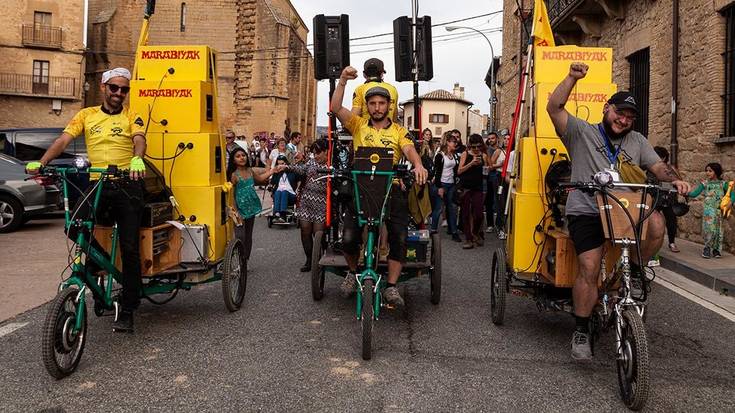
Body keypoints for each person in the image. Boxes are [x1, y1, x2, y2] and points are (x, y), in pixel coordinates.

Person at [546, 62, 691, 360]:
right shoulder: (581, 133)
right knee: (588, 267)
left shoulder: (636, 141)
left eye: (629, 117)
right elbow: (554, 107)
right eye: (619, 113)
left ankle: (636, 270)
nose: (624, 120)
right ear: (606, 109)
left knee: (657, 223)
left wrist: (674, 178)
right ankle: (582, 329)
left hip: (623, 210)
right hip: (587, 210)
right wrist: (572, 78)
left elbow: (657, 166)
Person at [26, 67, 148, 333]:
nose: (119, 93)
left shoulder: (132, 115)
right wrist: (42, 162)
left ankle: (128, 308)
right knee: (74, 227)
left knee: (129, 248)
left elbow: (139, 139)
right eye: (114, 88)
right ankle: (97, 264)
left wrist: (138, 157)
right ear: (104, 87)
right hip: (98, 184)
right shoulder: (87, 115)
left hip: (127, 186)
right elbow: (64, 139)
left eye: (124, 89)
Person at [330, 65, 428, 307]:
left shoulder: (399, 131)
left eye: (381, 103)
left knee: (400, 237)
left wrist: (418, 165)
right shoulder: (358, 125)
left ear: (388, 106)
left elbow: (409, 150)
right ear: (367, 106)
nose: (376, 107)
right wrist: (342, 80)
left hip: (390, 189)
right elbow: (335, 109)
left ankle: (391, 287)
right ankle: (353, 273)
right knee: (349, 237)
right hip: (360, 189)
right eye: (372, 103)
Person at [280, 139, 330, 272]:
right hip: (306, 201)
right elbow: (301, 169)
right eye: (314, 153)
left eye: (318, 153)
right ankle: (309, 260)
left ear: (327, 151)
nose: (316, 156)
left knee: (318, 233)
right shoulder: (311, 162)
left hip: (323, 204)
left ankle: (320, 258)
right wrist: (287, 167)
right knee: (305, 230)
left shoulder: (332, 166)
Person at [227, 147, 276, 271]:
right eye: (238, 156)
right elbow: (230, 195)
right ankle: (237, 262)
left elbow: (260, 179)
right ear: (233, 160)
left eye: (243, 155)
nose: (241, 158)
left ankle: (245, 262)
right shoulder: (233, 175)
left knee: (248, 236)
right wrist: (235, 211)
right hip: (239, 210)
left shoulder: (249, 170)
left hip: (251, 207)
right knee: (240, 237)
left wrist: (272, 171)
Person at [687, 162, 734, 258]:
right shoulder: (704, 183)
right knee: (709, 229)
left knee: (718, 230)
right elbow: (694, 193)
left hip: (718, 211)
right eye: (706, 171)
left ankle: (716, 250)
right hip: (708, 211)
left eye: (710, 171)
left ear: (716, 172)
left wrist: (730, 202)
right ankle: (707, 248)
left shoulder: (723, 184)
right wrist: (685, 192)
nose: (707, 173)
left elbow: (733, 194)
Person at [457, 134, 491, 249]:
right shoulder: (465, 154)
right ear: (470, 146)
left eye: (478, 147)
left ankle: (476, 232)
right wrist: (471, 163)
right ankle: (468, 239)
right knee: (465, 214)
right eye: (474, 147)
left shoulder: (484, 156)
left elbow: (489, 169)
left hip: (478, 187)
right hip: (466, 187)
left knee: (479, 214)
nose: (476, 149)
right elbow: (459, 171)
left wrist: (486, 167)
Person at [431, 131, 462, 242]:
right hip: (442, 184)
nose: (455, 144)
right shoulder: (440, 155)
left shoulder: (453, 155)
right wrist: (439, 187)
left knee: (452, 208)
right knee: (438, 209)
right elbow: (437, 172)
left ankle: (454, 232)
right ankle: (433, 229)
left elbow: (454, 170)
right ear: (448, 142)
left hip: (451, 184)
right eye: (453, 142)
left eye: (456, 142)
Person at [651, 146, 681, 253]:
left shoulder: (670, 169)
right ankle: (651, 243)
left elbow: (679, 180)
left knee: (671, 221)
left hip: (669, 199)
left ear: (663, 158)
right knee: (652, 221)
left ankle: (672, 242)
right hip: (654, 198)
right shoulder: (650, 168)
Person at [490, 134, 508, 239]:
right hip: (499, 177)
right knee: (500, 202)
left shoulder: (513, 151)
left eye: (509, 139)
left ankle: (504, 226)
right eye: (505, 139)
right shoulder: (498, 151)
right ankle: (500, 227)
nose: (506, 141)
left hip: (509, 178)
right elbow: (490, 166)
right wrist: (500, 164)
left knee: (507, 203)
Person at [270, 155, 299, 221]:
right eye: (279, 164)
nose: (280, 166)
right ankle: (277, 213)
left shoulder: (292, 171)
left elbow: (299, 179)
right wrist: (274, 173)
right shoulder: (276, 173)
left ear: (286, 163)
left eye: (282, 164)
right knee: (278, 191)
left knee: (284, 191)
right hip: (279, 194)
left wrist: (298, 189)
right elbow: (272, 183)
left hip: (291, 195)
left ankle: (283, 214)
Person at [484, 132, 500, 233]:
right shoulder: (487, 151)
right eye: (489, 139)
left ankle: (498, 224)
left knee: (499, 201)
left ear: (497, 138)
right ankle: (490, 224)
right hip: (490, 178)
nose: (490, 140)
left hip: (499, 178)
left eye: (492, 138)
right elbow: (489, 166)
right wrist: (499, 165)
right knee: (489, 202)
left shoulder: (501, 149)